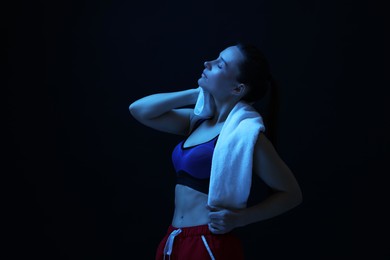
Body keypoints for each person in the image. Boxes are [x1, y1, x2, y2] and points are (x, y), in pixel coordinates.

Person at [129, 43, 303, 260]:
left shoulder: (246, 135)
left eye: (220, 65)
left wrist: (241, 218)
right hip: (175, 239)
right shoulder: (197, 121)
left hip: (208, 244)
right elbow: (139, 110)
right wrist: (195, 94)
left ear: (237, 89)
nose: (207, 63)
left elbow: (292, 194)